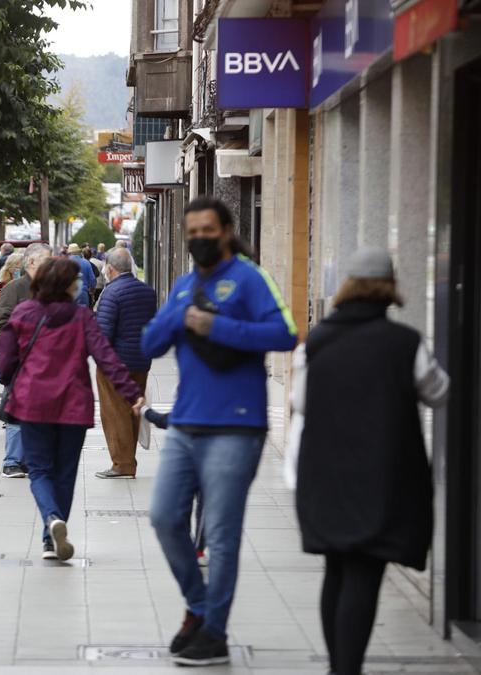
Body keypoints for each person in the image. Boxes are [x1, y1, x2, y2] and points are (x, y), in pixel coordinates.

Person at [141, 196, 298, 666]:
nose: (199, 240)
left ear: (226, 230)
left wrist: (216, 325)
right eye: (192, 233)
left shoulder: (250, 278)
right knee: (165, 518)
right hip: (187, 424)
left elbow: (285, 334)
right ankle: (198, 606)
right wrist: (180, 311)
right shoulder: (186, 284)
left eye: (207, 230)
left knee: (222, 536)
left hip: (237, 425)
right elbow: (150, 341)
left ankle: (214, 632)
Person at [288, 247, 448, 675]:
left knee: (336, 567)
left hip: (324, 472)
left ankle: (340, 667)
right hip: (382, 473)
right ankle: (346, 670)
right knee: (364, 569)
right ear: (389, 289)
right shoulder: (405, 343)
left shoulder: (317, 340)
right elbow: (439, 392)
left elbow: (299, 400)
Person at [0, 257, 144, 561]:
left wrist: (11, 376)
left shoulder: (24, 313)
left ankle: (51, 521)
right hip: (73, 407)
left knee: (39, 470)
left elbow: (6, 362)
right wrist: (131, 393)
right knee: (65, 474)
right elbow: (106, 358)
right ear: (70, 286)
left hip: (33, 405)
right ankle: (51, 539)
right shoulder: (82, 317)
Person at [93, 247, 157, 479]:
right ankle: (128, 460)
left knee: (114, 412)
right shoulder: (147, 291)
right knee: (133, 410)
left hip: (115, 363)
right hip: (141, 360)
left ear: (110, 268)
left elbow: (104, 332)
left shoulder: (112, 293)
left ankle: (122, 464)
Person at [0, 244, 51, 479]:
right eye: (48, 260)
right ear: (31, 263)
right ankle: (13, 461)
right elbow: (0, 325)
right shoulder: (14, 289)